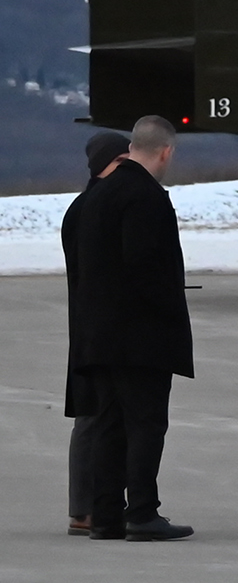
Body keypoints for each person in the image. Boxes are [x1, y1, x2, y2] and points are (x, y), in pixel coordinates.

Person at [71, 115, 195, 541]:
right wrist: (167, 309)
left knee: (108, 424)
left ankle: (105, 515)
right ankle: (141, 510)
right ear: (166, 151)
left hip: (98, 334)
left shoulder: (96, 197)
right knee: (145, 424)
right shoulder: (145, 196)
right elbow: (144, 266)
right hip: (141, 336)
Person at [59, 131, 130, 534]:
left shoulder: (93, 204)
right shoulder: (90, 208)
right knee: (90, 414)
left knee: (97, 414)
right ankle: (84, 509)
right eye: (121, 161)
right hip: (92, 324)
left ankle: (91, 505)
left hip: (94, 321)